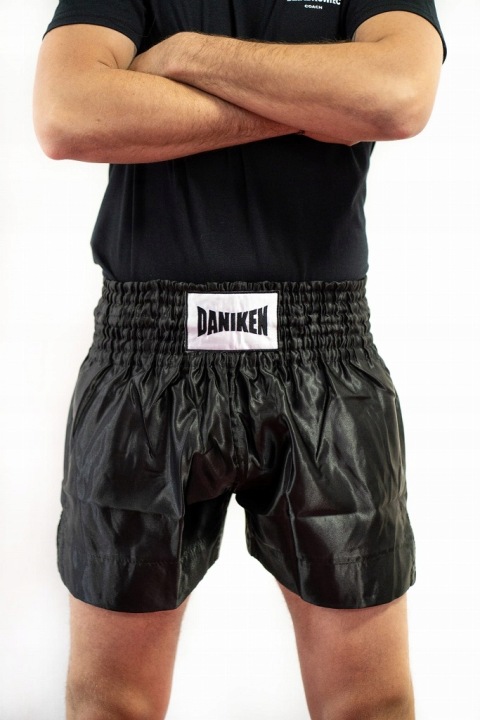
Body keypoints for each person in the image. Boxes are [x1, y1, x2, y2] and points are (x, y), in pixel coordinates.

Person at [33, 1, 445, 718]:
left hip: (325, 358)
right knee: (110, 704)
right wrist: (318, 104)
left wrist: (185, 55)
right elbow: (67, 113)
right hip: (145, 358)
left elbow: (397, 96)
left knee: (369, 703)